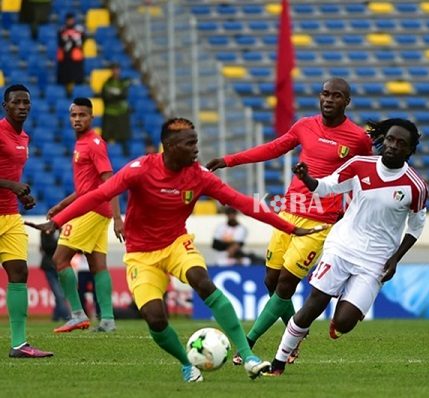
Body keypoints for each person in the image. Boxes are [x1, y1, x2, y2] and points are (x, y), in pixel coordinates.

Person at [29, 117, 324, 382]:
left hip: (176, 244)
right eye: (189, 143)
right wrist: (57, 221)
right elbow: (99, 194)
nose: (196, 150)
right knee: (156, 319)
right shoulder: (139, 170)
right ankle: (186, 364)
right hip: (141, 255)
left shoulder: (198, 176)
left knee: (203, 281)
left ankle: (247, 356)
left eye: (196, 142)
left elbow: (243, 203)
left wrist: (289, 227)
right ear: (169, 146)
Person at [206, 77, 373, 364]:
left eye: (336, 96)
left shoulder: (358, 139)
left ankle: (248, 342)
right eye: (324, 94)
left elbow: (365, 177)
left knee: (285, 284)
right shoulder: (304, 126)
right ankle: (294, 334)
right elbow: (273, 148)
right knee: (270, 280)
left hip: (320, 222)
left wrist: (352, 213)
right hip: (289, 210)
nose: (328, 100)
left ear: (347, 102)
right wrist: (228, 160)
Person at [266, 118, 427, 376]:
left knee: (344, 322)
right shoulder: (359, 165)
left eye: (401, 143)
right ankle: (279, 361)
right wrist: (307, 179)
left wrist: (396, 258)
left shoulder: (415, 186)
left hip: (376, 260)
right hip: (342, 246)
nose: (393, 146)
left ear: (409, 150)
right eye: (390, 139)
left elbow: (416, 226)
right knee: (315, 303)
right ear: (382, 140)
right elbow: (328, 187)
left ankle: (342, 314)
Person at [47, 97, 124, 333]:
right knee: (98, 265)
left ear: (92, 117)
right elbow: (85, 188)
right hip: (93, 207)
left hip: (92, 210)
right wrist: (61, 205)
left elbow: (109, 181)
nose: (77, 119)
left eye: (82, 115)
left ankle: (77, 314)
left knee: (59, 259)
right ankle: (108, 320)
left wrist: (118, 218)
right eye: (74, 115)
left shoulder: (94, 143)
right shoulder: (81, 144)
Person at [0, 84, 53, 358]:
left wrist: (22, 196)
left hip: (9, 216)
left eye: (26, 103)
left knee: (19, 272)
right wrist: (12, 185)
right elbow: (8, 179)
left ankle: (19, 344)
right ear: (5, 106)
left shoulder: (25, 138)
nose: (22, 106)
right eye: (17, 102)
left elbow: (11, 176)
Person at [39, 229, 70, 321]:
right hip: (50, 267)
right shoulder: (45, 231)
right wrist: (61, 241)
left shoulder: (65, 230)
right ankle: (66, 316)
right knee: (59, 293)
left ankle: (56, 316)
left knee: (61, 293)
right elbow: (47, 247)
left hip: (61, 266)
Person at [101, 63, 131, 151]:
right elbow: (106, 97)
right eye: (113, 69)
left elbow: (124, 94)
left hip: (122, 113)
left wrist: (114, 95)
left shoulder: (123, 82)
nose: (115, 71)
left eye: (117, 69)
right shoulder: (107, 83)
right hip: (109, 113)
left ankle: (125, 153)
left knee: (123, 137)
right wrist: (118, 94)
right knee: (106, 137)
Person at [57, 13, 85, 95]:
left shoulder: (79, 30)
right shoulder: (62, 30)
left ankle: (76, 92)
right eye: (68, 20)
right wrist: (71, 41)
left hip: (76, 59)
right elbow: (62, 43)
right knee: (65, 77)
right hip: (65, 59)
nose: (70, 21)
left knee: (77, 77)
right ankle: (67, 92)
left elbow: (81, 42)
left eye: (71, 19)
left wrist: (72, 40)